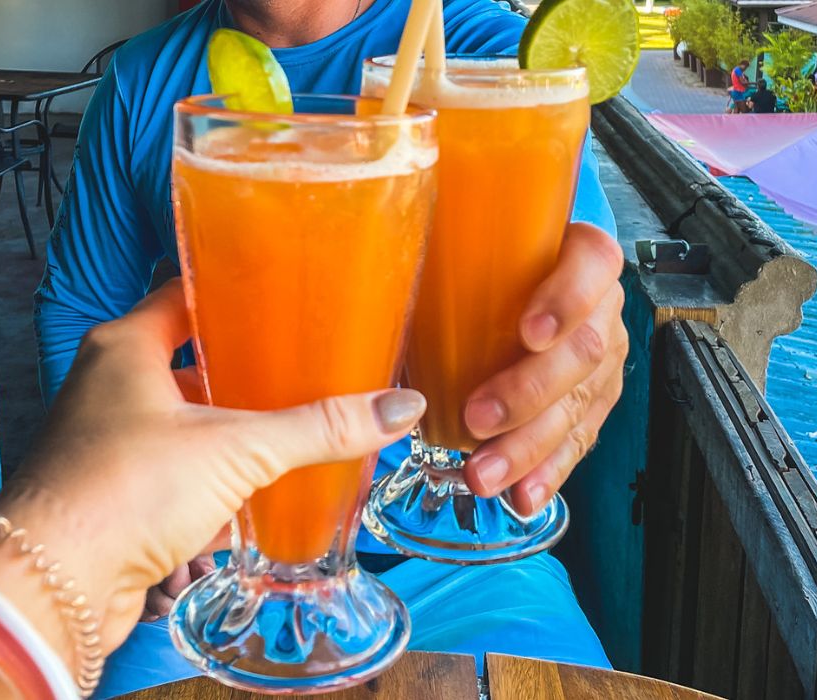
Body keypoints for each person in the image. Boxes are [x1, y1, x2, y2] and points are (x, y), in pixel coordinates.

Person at [35, 0, 625, 695]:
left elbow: (571, 272)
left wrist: (582, 338)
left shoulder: (480, 51)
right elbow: (82, 310)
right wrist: (123, 493)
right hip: (213, 556)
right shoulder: (143, 77)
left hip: (463, 555)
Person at [0, 282, 434, 699]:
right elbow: (81, 310)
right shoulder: (139, 86)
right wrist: (83, 528)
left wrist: (60, 544)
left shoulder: (477, 52)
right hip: (203, 563)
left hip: (428, 553)